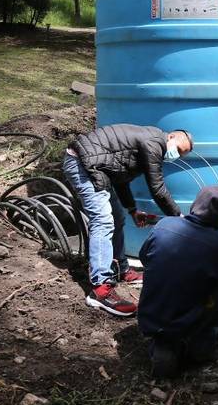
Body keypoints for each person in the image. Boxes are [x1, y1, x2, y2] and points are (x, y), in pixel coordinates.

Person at [62, 125, 194, 316]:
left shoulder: (146, 143)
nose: (177, 155)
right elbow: (157, 188)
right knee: (103, 221)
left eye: (182, 155)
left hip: (97, 167)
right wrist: (179, 218)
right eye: (179, 150)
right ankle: (100, 289)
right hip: (81, 163)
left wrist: (132, 210)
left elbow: (121, 177)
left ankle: (121, 270)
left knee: (117, 218)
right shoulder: (154, 142)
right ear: (171, 136)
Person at [138, 185, 218, 379]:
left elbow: (144, 258)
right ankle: (203, 341)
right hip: (190, 319)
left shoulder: (164, 225)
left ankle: (163, 345)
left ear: (195, 204)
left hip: (152, 317)